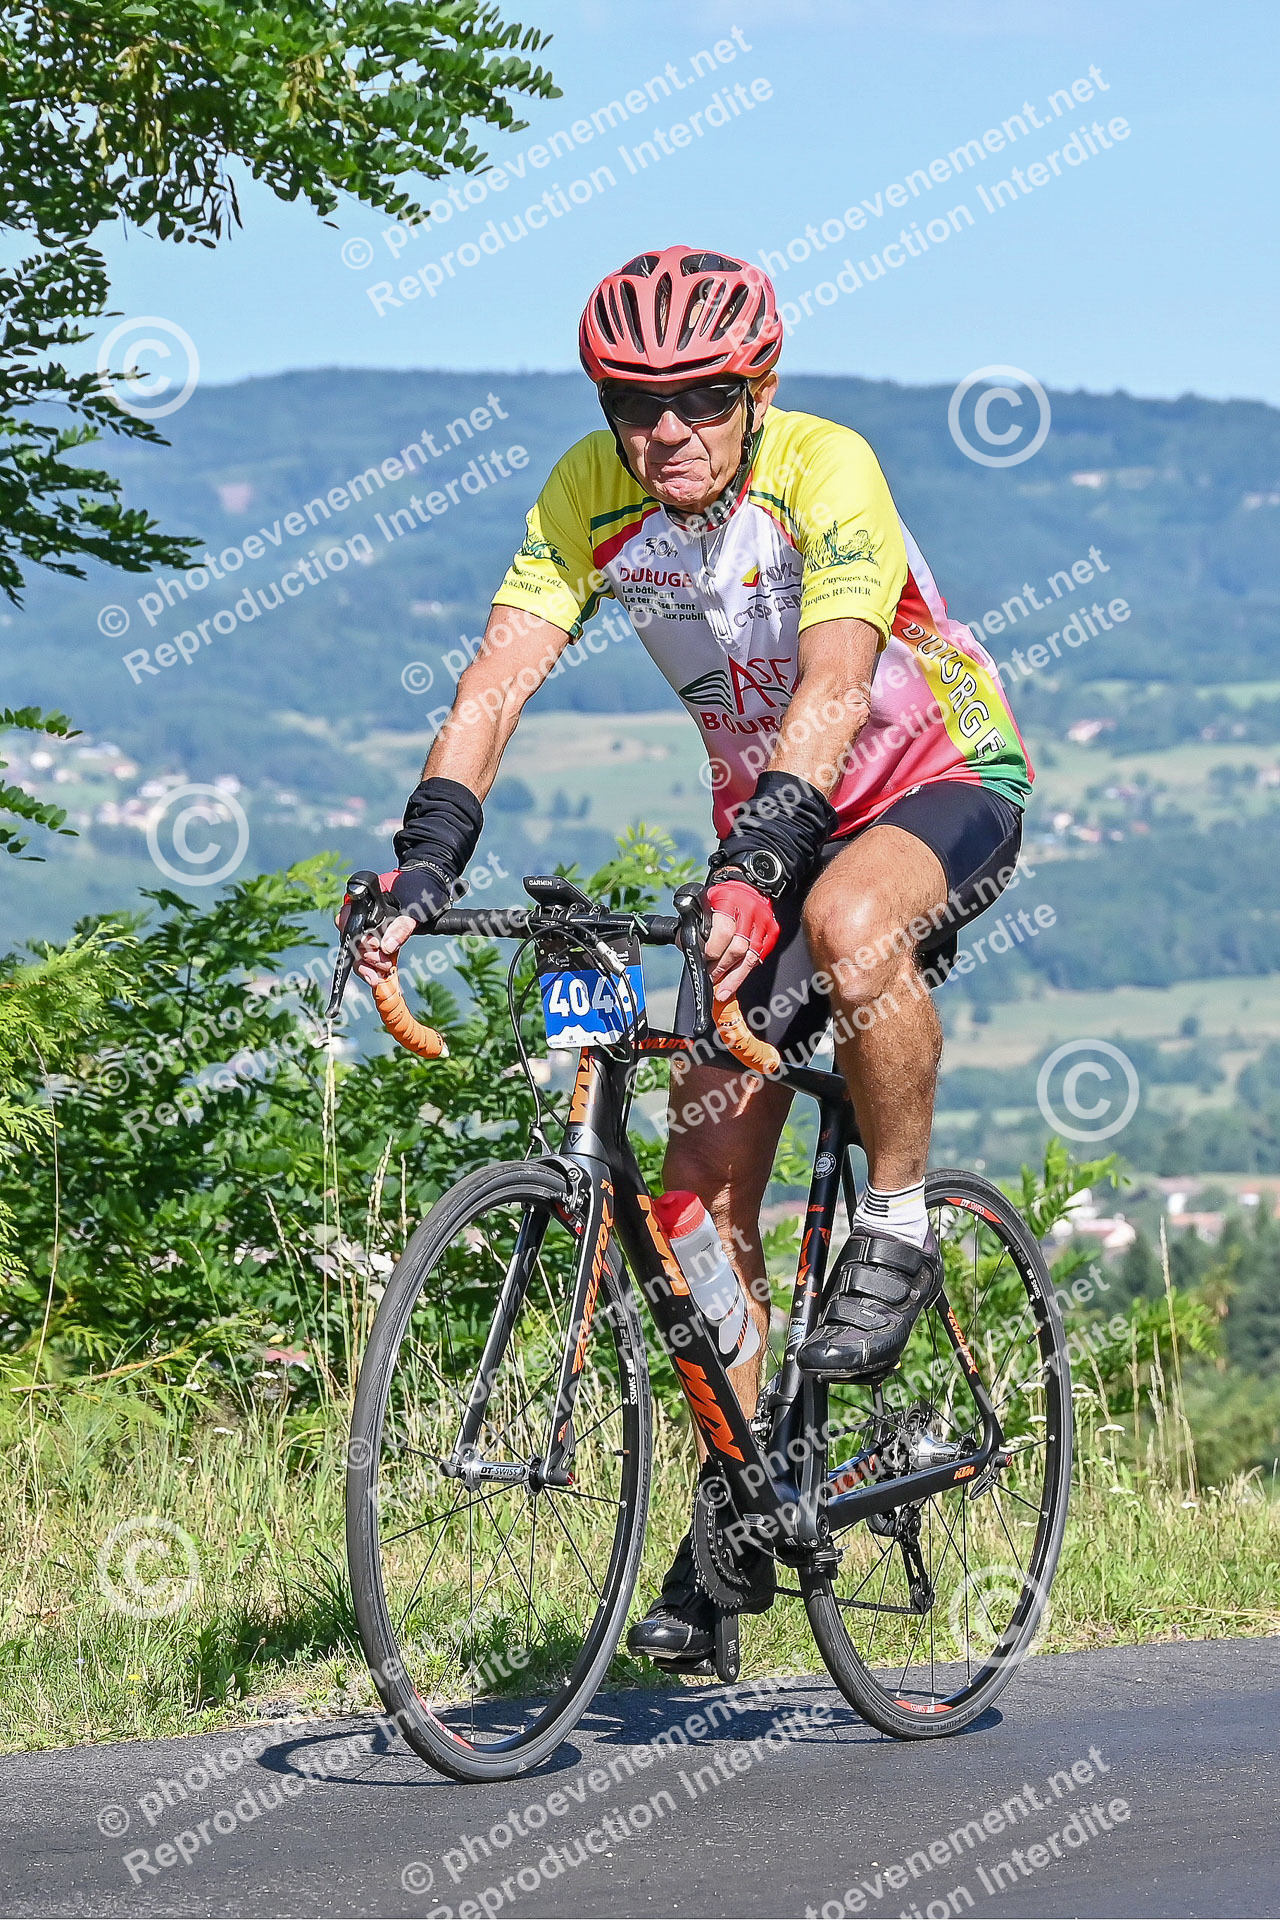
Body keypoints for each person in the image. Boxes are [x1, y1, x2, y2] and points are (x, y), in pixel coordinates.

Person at [355, 246, 1032, 1665]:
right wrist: (425, 862)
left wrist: (765, 861)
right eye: (633, 403)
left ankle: (900, 1222)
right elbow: (496, 682)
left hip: (931, 780)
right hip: (763, 830)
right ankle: (739, 1516)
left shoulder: (825, 467)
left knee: (851, 926)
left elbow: (836, 681)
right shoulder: (585, 496)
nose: (666, 431)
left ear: (756, 389)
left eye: (702, 399)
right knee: (695, 1206)